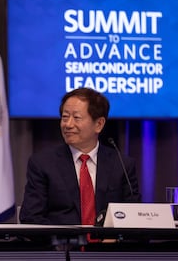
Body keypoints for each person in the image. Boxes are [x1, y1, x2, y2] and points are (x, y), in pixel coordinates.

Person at [19, 87, 141, 225]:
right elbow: (31, 217)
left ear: (99, 124)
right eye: (65, 117)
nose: (68, 124)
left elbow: (134, 216)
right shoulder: (43, 163)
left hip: (108, 245)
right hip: (62, 245)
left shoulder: (121, 165)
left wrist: (113, 238)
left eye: (76, 118)